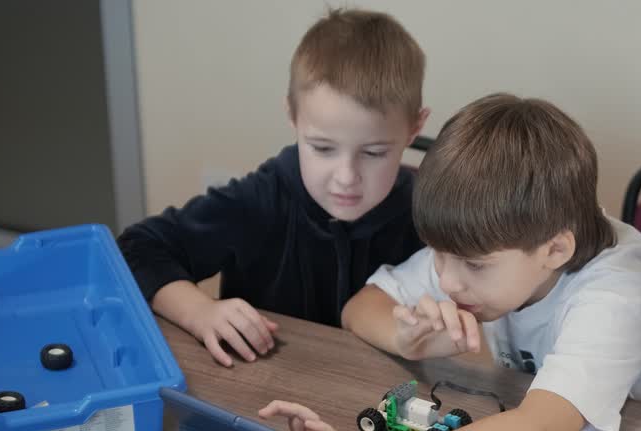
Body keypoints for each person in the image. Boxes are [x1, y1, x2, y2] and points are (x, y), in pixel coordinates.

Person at [260, 93, 641, 431]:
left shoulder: (616, 290)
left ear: (556, 249)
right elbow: (361, 309)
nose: (447, 281)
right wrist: (408, 339)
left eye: (474, 265)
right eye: (438, 254)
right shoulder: (490, 241)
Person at [119, 8, 429, 367]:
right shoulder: (260, 200)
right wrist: (198, 311)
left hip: (379, 399)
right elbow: (137, 247)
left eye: (374, 152)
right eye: (323, 148)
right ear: (292, 115)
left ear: (414, 128)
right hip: (263, 392)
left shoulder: (427, 208)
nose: (346, 176)